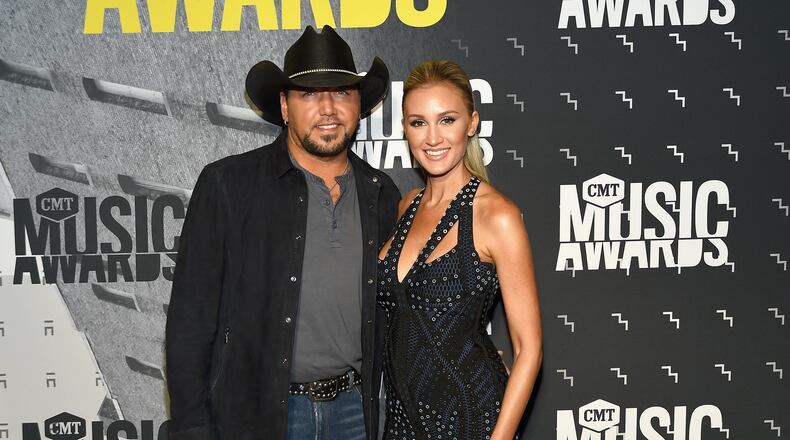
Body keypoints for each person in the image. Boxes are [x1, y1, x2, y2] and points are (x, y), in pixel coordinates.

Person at [165, 25, 400, 440]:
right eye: (309, 94)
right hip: (258, 415)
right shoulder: (228, 185)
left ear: (359, 105)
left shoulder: (381, 194)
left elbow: (402, 316)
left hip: (357, 413)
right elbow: (190, 320)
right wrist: (193, 427)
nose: (328, 108)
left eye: (342, 92)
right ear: (285, 106)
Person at [376, 60, 543, 439]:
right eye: (418, 122)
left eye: (446, 119)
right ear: (405, 129)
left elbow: (528, 347)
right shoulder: (407, 206)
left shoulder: (496, 216)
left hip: (472, 418)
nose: (433, 137)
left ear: (472, 123)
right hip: (403, 424)